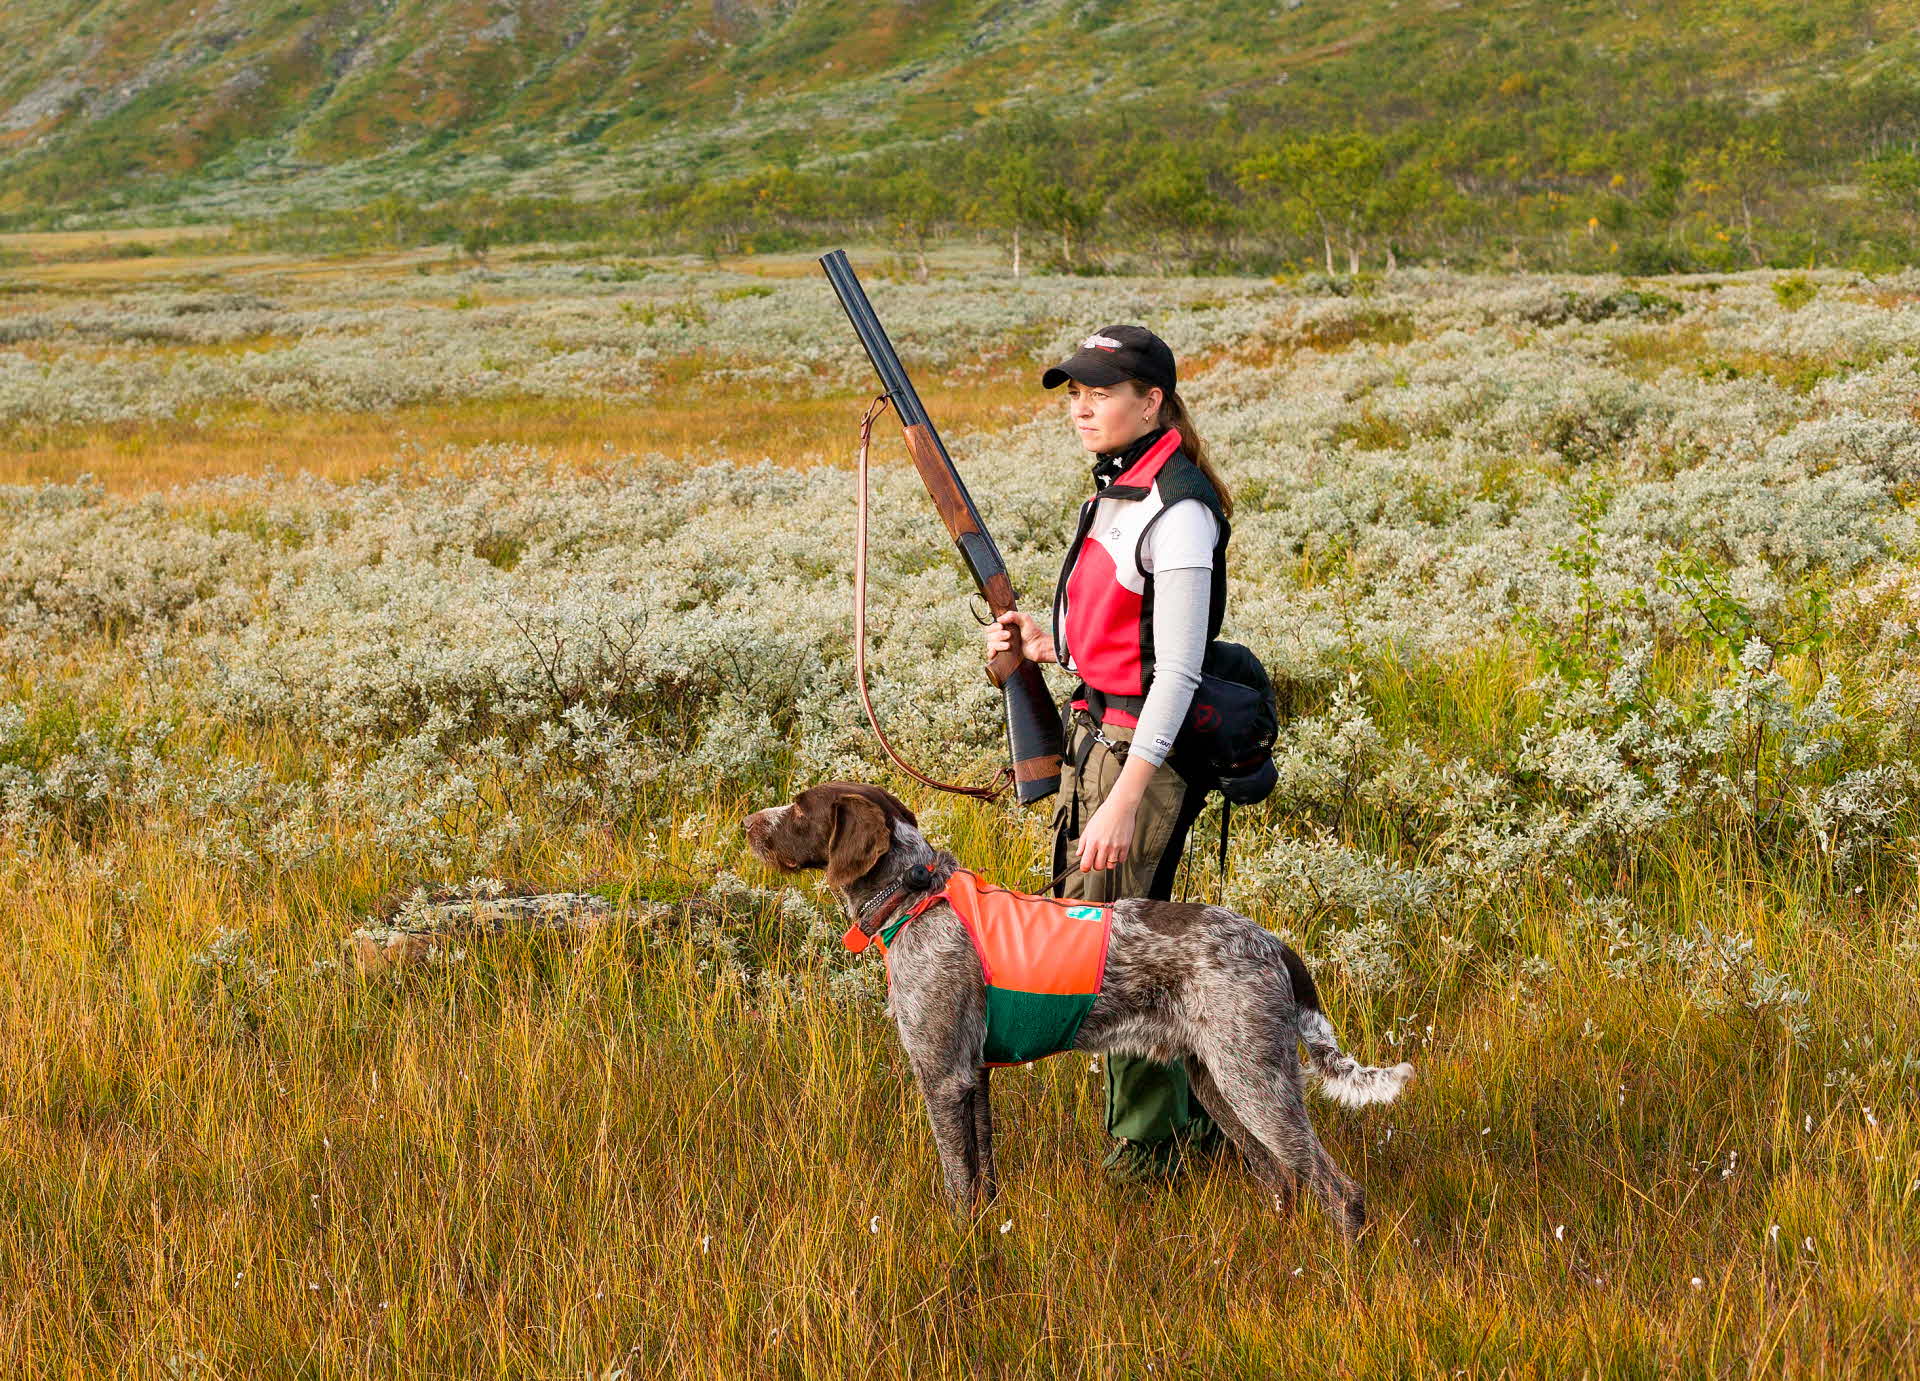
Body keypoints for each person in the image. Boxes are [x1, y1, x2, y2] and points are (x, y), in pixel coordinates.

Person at [983, 324, 1235, 1183]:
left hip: (1137, 757)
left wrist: (1126, 797)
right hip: (1101, 740)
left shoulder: (1179, 507)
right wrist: (1047, 643)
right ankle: (1183, 1129)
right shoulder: (1117, 493)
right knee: (1109, 933)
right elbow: (1118, 640)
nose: (1082, 407)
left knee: (1118, 955)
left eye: (1101, 391)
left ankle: (1150, 1148)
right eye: (1075, 393)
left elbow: (1177, 673)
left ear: (1152, 400)